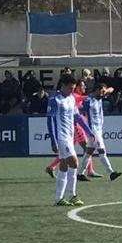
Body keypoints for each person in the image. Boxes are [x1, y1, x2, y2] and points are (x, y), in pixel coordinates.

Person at [47, 73, 93, 206]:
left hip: (69, 135)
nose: (72, 91)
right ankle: (72, 195)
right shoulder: (55, 99)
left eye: (73, 88)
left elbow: (77, 117)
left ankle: (59, 198)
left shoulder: (71, 98)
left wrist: (88, 131)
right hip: (62, 137)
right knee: (74, 162)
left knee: (63, 165)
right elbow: (50, 120)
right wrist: (53, 140)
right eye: (70, 88)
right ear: (63, 86)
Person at [77, 82, 122, 182]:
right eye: (101, 91)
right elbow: (78, 108)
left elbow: (112, 88)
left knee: (89, 152)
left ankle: (80, 173)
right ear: (96, 90)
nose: (103, 93)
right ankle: (111, 172)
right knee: (101, 150)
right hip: (93, 130)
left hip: (98, 129)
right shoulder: (88, 100)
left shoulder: (99, 97)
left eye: (103, 92)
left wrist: (105, 90)